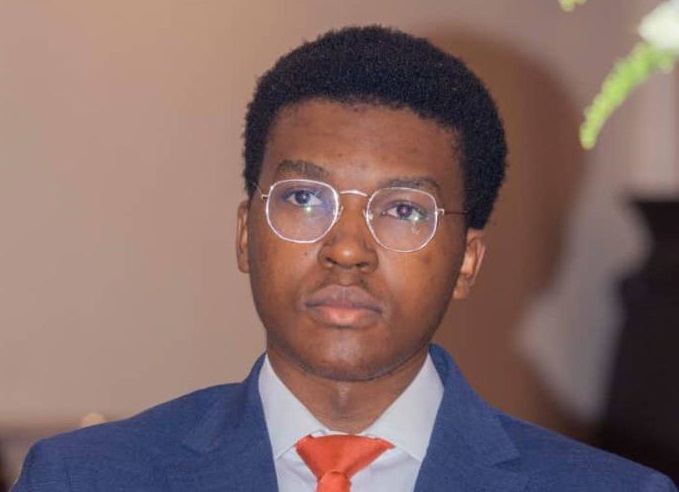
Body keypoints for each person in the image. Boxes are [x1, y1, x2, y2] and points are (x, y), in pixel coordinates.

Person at [12, 25, 677, 492]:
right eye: (305, 198)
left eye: (404, 209)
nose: (348, 249)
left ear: (466, 262)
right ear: (245, 234)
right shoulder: (83, 478)